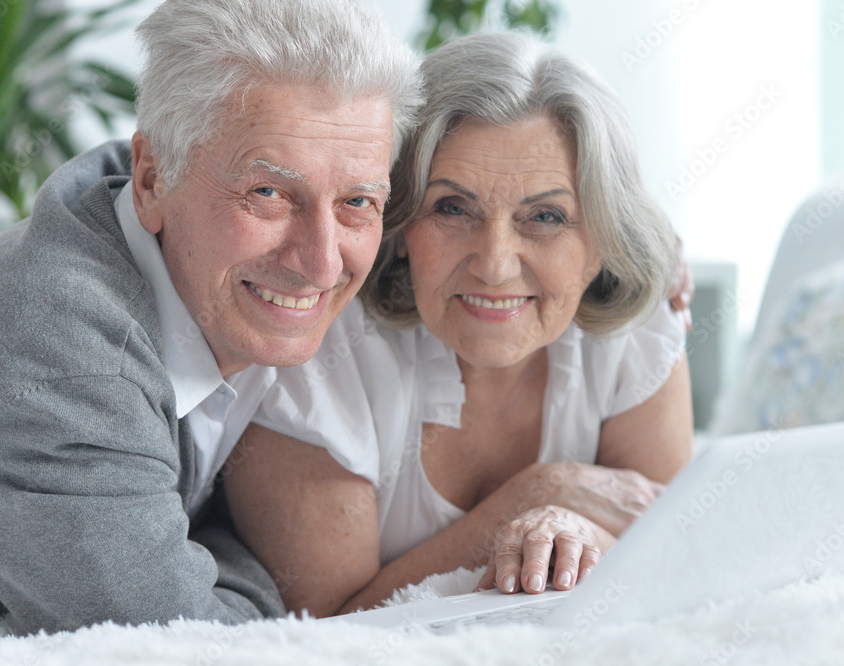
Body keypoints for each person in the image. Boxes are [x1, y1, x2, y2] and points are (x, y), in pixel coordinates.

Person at [0, 0, 422, 634]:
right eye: (269, 192)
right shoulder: (62, 364)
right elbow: (186, 638)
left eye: (357, 201)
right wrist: (260, 568)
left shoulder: (196, 243)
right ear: (150, 180)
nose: (320, 262)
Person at [223, 30, 694, 619]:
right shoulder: (319, 351)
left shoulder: (637, 333)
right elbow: (329, 630)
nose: (494, 263)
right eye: (452, 207)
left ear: (600, 241)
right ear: (399, 223)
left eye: (546, 216)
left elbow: (677, 555)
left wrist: (577, 530)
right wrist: (539, 494)